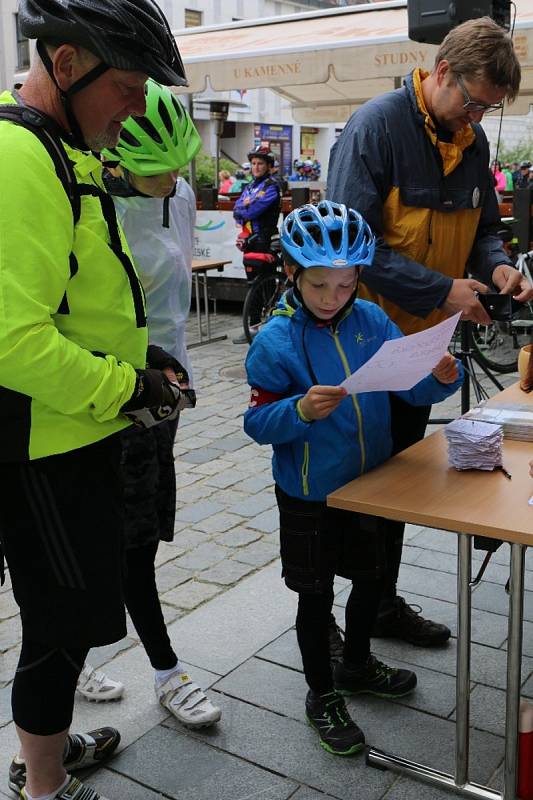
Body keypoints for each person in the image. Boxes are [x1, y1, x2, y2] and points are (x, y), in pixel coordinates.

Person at [0, 2, 189, 800]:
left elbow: (79, 293)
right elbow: (12, 341)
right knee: (57, 626)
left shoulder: (59, 147)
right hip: (43, 445)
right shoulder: (17, 156)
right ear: (68, 65)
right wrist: (126, 387)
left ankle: (50, 747)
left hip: (76, 431)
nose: (139, 110)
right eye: (130, 87)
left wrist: (137, 359)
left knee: (71, 618)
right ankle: (43, 785)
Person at [327, 16, 532, 648]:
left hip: (424, 348)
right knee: (353, 487)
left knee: (402, 481)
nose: (475, 118)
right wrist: (443, 289)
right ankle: (331, 620)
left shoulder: (472, 142)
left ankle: (381, 603)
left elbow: (480, 230)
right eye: (471, 102)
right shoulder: (376, 127)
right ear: (441, 72)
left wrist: (495, 265)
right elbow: (348, 248)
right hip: (361, 344)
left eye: (487, 111)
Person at [244, 201, 463, 755]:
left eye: (345, 285)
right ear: (292, 273)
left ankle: (358, 664)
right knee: (315, 597)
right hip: (310, 494)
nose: (332, 298)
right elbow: (256, 422)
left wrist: (438, 377)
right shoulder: (275, 340)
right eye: (319, 285)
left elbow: (409, 389)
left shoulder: (372, 320)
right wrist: (298, 411)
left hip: (371, 486)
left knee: (372, 579)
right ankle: (322, 693)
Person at [98, 78, 221, 728]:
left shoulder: (175, 192)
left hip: (167, 398)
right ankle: (167, 673)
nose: (174, 178)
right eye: (159, 168)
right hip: (115, 398)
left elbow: (171, 303)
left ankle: (84, 650)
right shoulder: (94, 209)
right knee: (130, 546)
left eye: (181, 164)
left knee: (138, 540)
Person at [232, 145, 282, 343]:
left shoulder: (272, 186)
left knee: (266, 285)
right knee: (252, 284)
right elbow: (237, 208)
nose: (256, 167)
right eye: (253, 163)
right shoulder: (250, 186)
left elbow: (253, 211)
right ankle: (252, 327)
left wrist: (245, 208)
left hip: (266, 240)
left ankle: (269, 327)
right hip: (251, 242)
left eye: (260, 163)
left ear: (269, 166)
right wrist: (244, 207)